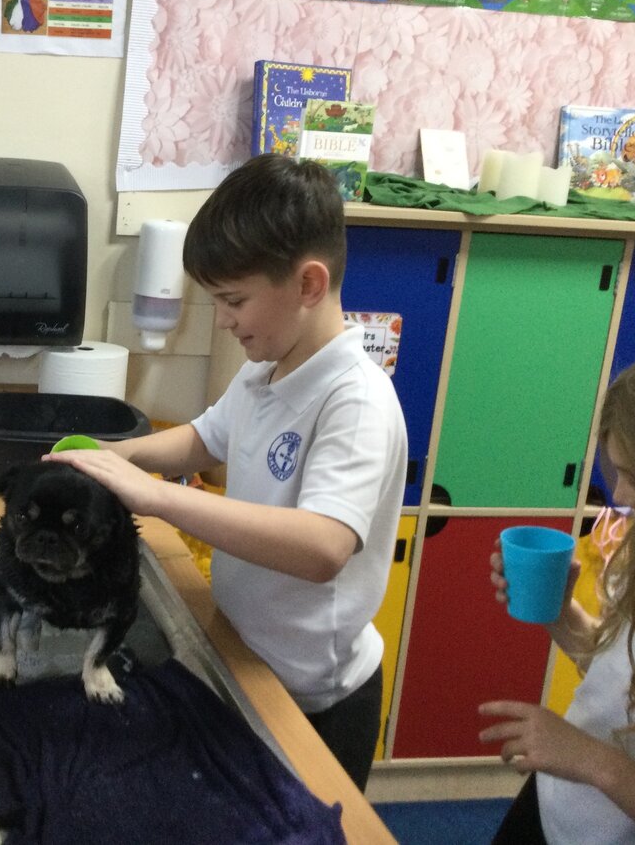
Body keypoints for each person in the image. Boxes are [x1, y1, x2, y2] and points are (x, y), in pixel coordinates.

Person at [46, 153, 408, 790]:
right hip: (247, 657)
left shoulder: (356, 400)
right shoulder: (266, 368)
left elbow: (322, 547)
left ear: (309, 285)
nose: (222, 319)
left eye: (234, 300)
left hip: (316, 702)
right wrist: (117, 456)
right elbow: (202, 440)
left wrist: (155, 498)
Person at [479, 349, 635, 843]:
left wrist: (592, 760)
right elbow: (626, 676)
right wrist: (560, 615)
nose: (619, 494)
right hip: (558, 803)